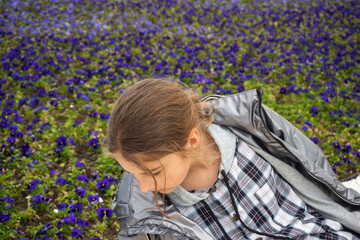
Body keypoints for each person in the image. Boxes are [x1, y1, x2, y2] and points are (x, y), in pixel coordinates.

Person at [106, 78, 360, 240]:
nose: (144, 186)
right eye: (133, 173)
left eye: (152, 173)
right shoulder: (143, 210)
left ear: (191, 140)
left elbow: (311, 165)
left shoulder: (249, 128)